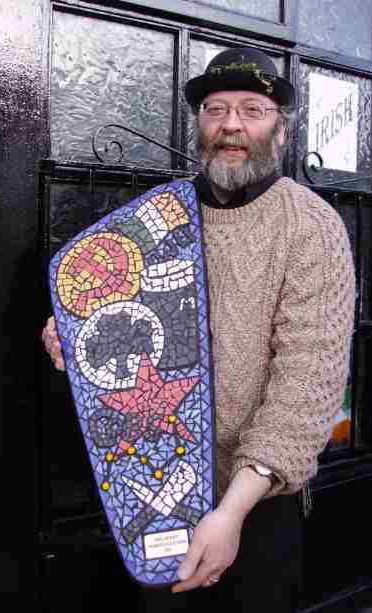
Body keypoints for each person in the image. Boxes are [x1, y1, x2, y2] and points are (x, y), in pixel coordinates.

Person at [42, 47, 355, 611]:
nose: (231, 124)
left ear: (280, 131)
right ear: (199, 126)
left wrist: (231, 513)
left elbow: (307, 386)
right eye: (215, 109)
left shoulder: (312, 226)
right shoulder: (157, 218)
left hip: (260, 506)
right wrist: (73, 333)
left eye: (252, 109)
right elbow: (110, 317)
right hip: (156, 497)